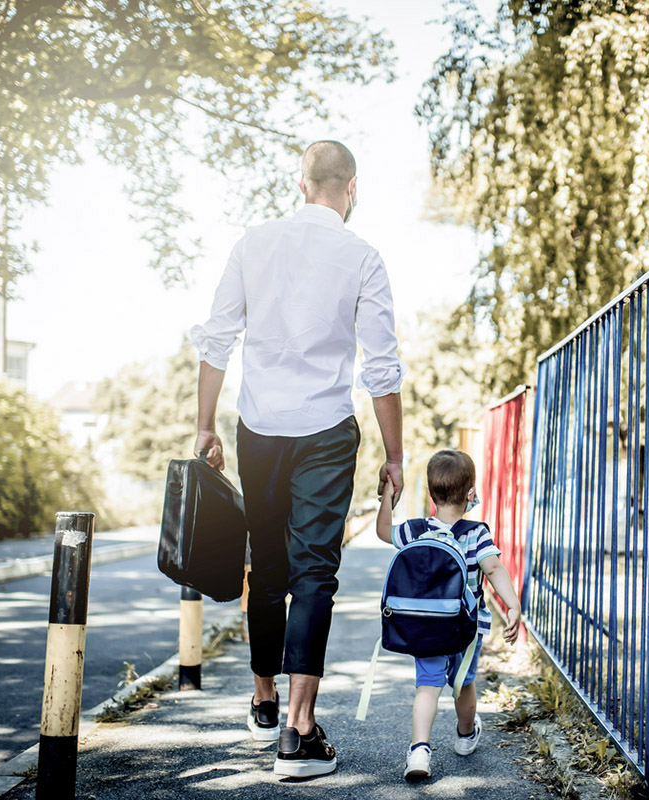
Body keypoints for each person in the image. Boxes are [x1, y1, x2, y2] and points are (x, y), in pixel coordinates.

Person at [190, 140, 405, 779]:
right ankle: (298, 732)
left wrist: (205, 425)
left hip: (258, 426)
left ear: (301, 183)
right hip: (325, 430)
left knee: (268, 561)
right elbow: (382, 368)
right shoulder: (363, 256)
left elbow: (217, 338)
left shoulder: (252, 243)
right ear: (352, 187)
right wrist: (396, 456)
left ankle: (263, 696)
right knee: (314, 571)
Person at [375, 449, 521, 781]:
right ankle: (465, 735)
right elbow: (494, 568)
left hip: (424, 626)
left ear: (430, 493)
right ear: (471, 494)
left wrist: (388, 495)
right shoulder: (476, 533)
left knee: (427, 686)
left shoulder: (414, 530)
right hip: (466, 630)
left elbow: (384, 531)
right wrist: (512, 605)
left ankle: (419, 751)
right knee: (463, 685)